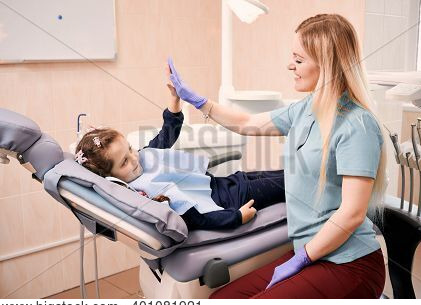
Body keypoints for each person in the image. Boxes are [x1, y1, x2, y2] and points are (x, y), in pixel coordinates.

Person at [168, 13, 387, 298]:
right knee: (220, 300)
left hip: (349, 264)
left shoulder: (356, 125)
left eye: (298, 59)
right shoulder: (307, 108)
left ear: (326, 64)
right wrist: (198, 101)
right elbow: (248, 124)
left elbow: (352, 214)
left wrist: (303, 257)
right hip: (311, 254)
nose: (290, 65)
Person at [74, 73, 285, 231]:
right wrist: (236, 218)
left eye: (130, 149)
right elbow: (196, 219)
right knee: (290, 183)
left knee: (287, 175)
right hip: (229, 201)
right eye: (124, 162)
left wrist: (175, 101)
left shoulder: (141, 158)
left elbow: (166, 136)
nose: (134, 158)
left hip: (227, 183)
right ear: (110, 176)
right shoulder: (148, 192)